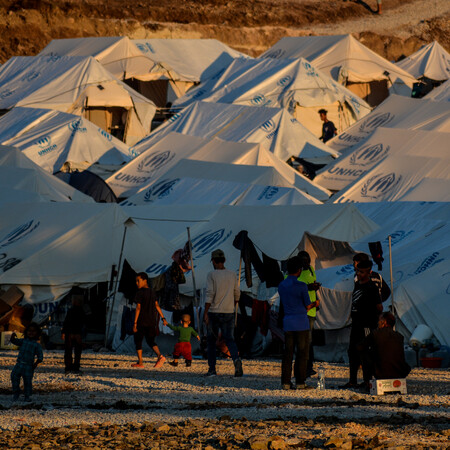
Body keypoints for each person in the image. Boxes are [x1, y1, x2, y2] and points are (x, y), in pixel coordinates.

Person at [278, 256, 318, 390]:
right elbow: (307, 306)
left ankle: (286, 382)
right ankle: (300, 382)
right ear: (299, 270)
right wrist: (316, 303)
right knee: (302, 354)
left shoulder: (282, 285)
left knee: (288, 354)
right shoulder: (301, 286)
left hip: (288, 322)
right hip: (301, 323)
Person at [343, 260, 383, 389]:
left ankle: (367, 381)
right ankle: (352, 380)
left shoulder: (372, 287)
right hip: (356, 323)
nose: (359, 274)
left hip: (367, 324)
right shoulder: (358, 285)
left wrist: (370, 314)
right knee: (352, 351)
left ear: (369, 272)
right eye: (357, 271)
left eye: (361, 272)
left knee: (365, 351)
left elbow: (379, 306)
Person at [203, 249, 243, 377]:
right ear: (224, 260)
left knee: (211, 341)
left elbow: (209, 294)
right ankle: (236, 360)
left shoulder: (211, 275)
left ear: (213, 261)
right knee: (230, 339)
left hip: (214, 312)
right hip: (229, 311)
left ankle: (212, 369)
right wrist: (233, 304)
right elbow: (237, 293)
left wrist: (205, 312)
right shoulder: (232, 274)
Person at [360, 312, 411, 381]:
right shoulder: (399, 336)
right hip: (399, 373)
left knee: (365, 354)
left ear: (384, 322)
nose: (378, 323)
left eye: (379, 321)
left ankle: (367, 383)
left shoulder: (376, 334)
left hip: (380, 373)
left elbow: (360, 347)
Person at [132, 272, 167, 368]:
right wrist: (163, 318)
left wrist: (135, 323)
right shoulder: (152, 291)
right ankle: (160, 356)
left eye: (138, 281)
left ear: (145, 280)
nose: (137, 283)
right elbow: (157, 306)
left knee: (138, 340)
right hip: (152, 321)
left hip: (141, 321)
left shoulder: (139, 293)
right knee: (150, 340)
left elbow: (138, 308)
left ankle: (140, 362)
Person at [297, 251, 321, 377]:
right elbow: (294, 288)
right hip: (301, 310)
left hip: (311, 310)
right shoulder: (296, 272)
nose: (307, 264)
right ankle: (302, 367)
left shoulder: (311, 269)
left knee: (309, 340)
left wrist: (315, 287)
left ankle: (308, 366)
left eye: (308, 261)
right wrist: (309, 287)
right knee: (302, 340)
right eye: (304, 262)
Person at [10, 323, 43, 402]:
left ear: (37, 333)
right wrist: (12, 337)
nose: (31, 333)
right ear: (26, 332)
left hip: (29, 366)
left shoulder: (37, 345)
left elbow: (40, 356)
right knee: (14, 377)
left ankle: (27, 396)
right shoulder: (23, 341)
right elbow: (14, 341)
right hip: (19, 364)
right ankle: (16, 392)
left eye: (33, 331)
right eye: (29, 331)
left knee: (27, 381)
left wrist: (36, 364)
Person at [61, 296, 86, 375]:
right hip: (77, 333)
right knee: (77, 352)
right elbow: (83, 323)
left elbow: (66, 322)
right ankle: (75, 367)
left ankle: (68, 367)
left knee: (68, 351)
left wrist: (63, 332)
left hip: (70, 333)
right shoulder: (82, 311)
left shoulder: (71, 311)